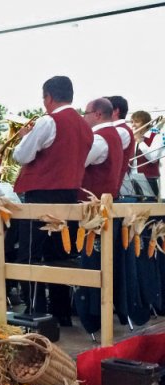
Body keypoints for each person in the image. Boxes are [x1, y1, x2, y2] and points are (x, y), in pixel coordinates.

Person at [12, 76, 93, 326]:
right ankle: (61, 313)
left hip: (42, 195)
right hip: (69, 195)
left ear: (48, 97)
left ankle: (34, 312)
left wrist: (25, 136)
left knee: (30, 254)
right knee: (60, 255)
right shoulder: (86, 126)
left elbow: (21, 155)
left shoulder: (49, 121)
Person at [75, 98, 123, 334]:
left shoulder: (100, 138)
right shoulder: (113, 135)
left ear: (96, 114)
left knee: (91, 262)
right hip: (103, 205)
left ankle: (92, 317)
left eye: (84, 113)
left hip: (93, 209)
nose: (83, 118)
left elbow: (77, 163)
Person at [105, 96, 135, 190]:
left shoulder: (121, 131)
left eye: (105, 110)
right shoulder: (117, 130)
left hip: (109, 187)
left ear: (115, 111)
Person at [131, 110, 162, 197]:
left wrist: (140, 142)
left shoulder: (156, 136)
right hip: (132, 177)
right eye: (132, 122)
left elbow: (153, 159)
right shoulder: (134, 136)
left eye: (136, 122)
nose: (133, 125)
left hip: (148, 178)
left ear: (146, 123)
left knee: (149, 206)